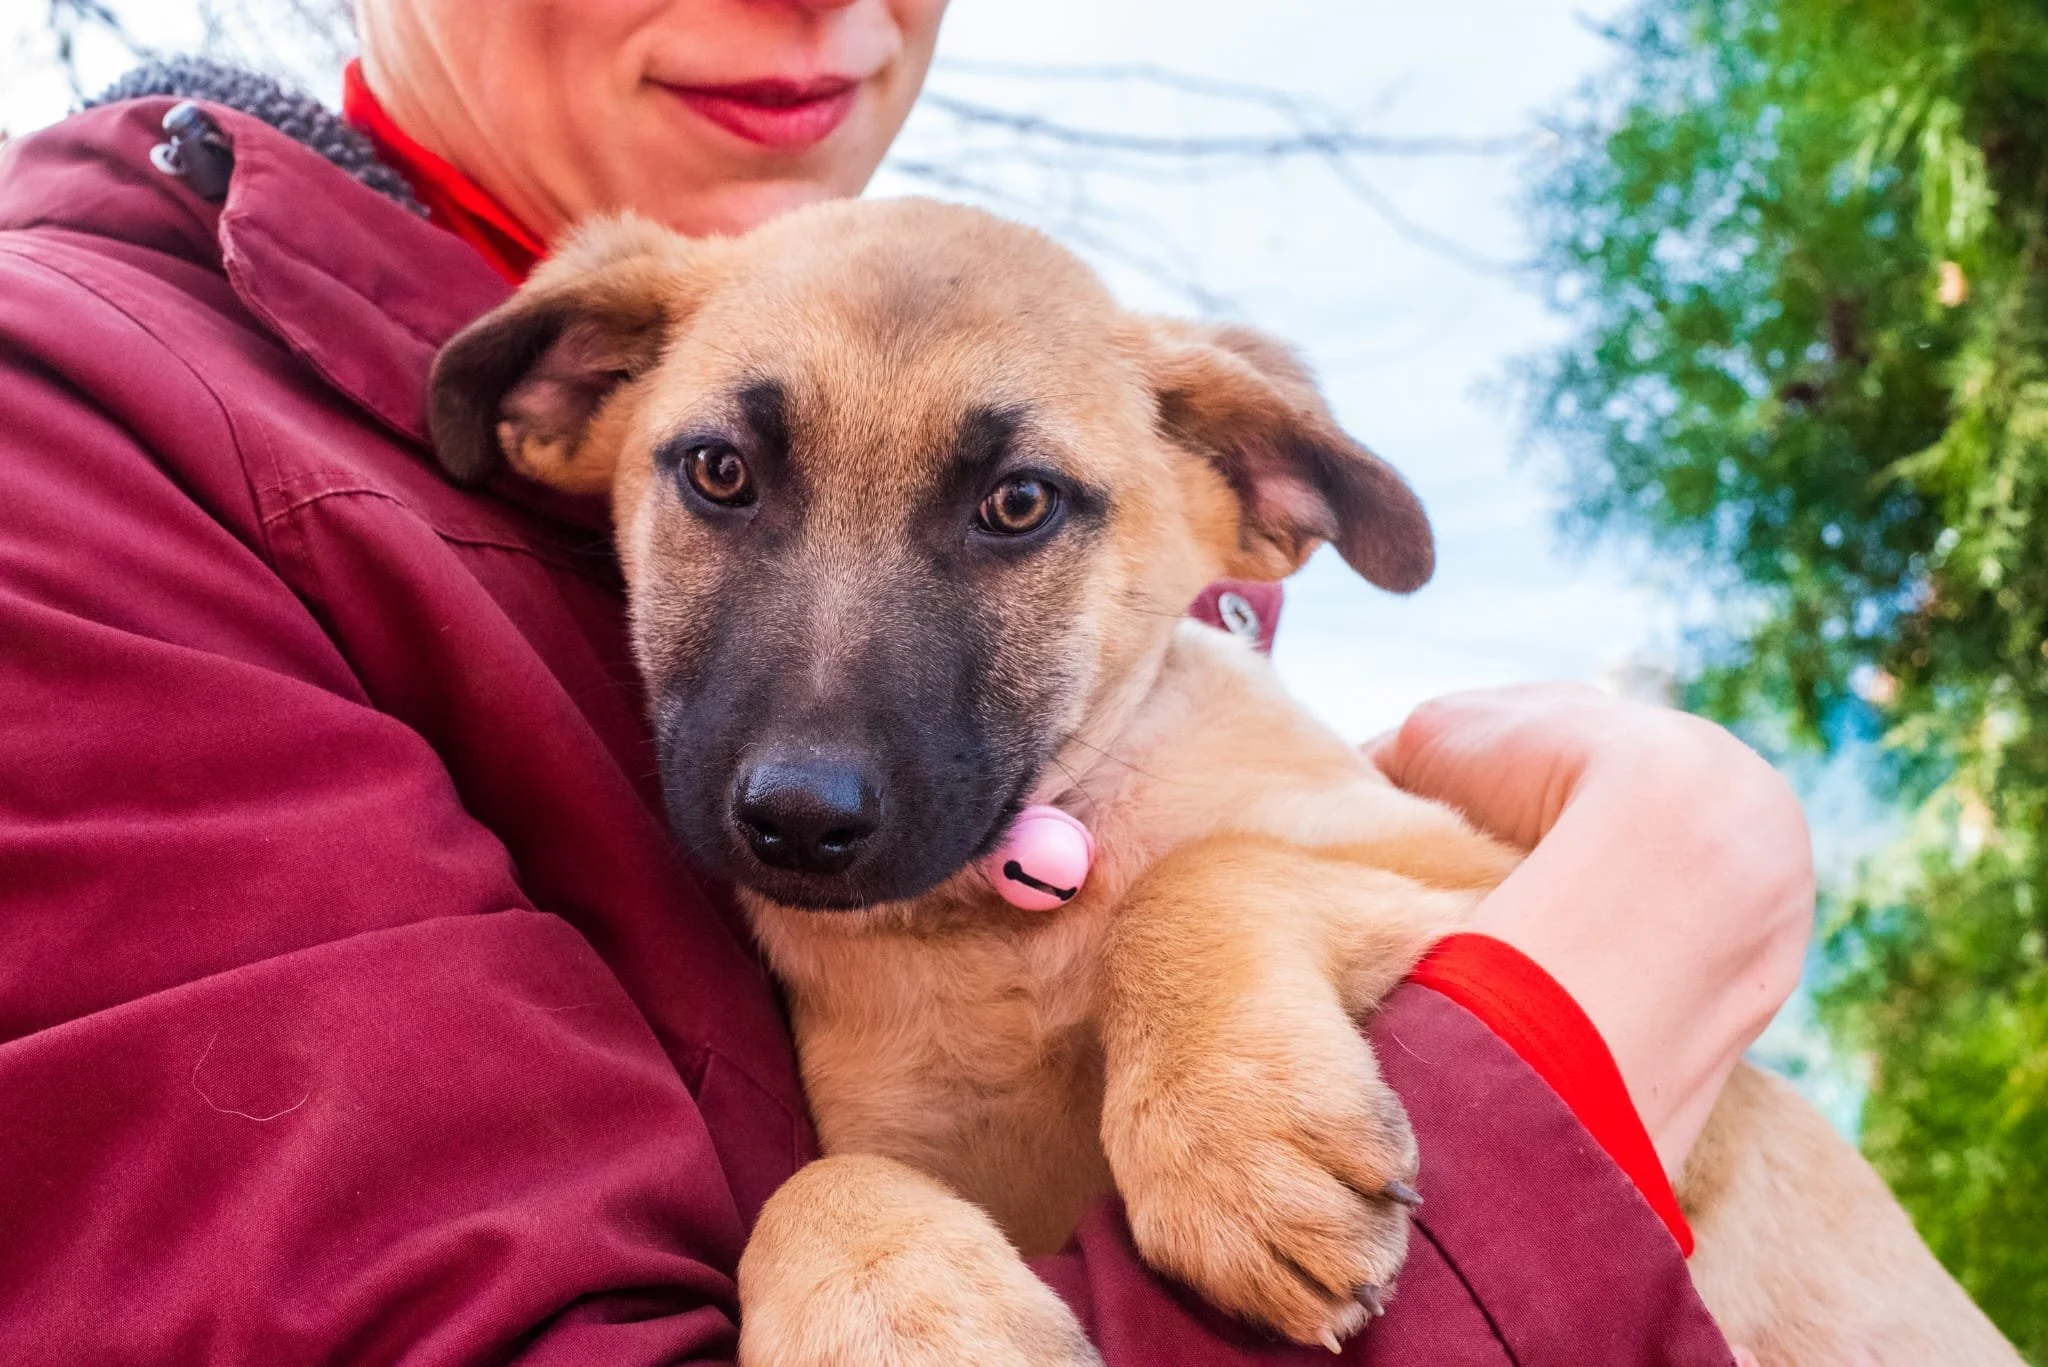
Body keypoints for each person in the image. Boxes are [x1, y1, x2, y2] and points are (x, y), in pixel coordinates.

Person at [0, 0, 1809, 1360]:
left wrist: (1225, 941)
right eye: (721, 480)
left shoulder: (1114, 500)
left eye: (1015, 507)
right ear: (557, 403)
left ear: (1243, 506)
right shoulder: (81, 442)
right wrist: (1619, 985)